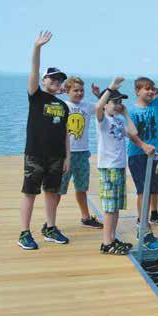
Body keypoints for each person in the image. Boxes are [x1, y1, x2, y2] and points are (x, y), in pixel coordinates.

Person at [18, 31, 71, 250]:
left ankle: (50, 227)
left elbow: (66, 133)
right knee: (30, 192)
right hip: (35, 154)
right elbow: (34, 71)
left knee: (52, 192)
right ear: (44, 80)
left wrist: (67, 157)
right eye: (53, 78)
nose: (57, 82)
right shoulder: (36, 96)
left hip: (57, 156)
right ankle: (24, 232)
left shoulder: (63, 105)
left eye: (60, 79)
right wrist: (37, 47)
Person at [127, 59, 158, 250]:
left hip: (155, 156)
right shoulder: (131, 110)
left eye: (152, 88)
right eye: (146, 88)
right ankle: (144, 227)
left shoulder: (156, 104)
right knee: (143, 191)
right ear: (137, 91)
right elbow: (130, 133)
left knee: (152, 190)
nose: (150, 91)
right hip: (138, 156)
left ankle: (145, 223)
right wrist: (143, 146)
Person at [94, 78, 137, 255]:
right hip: (108, 167)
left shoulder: (118, 120)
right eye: (115, 101)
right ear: (106, 104)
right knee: (109, 207)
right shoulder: (103, 121)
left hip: (119, 167)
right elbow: (98, 108)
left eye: (120, 102)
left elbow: (134, 133)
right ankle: (106, 242)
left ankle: (112, 238)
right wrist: (110, 89)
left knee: (117, 206)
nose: (118, 105)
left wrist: (125, 113)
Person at [60, 76, 103, 229]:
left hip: (83, 153)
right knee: (58, 189)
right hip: (65, 154)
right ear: (67, 91)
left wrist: (98, 95)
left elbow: (103, 107)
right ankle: (50, 222)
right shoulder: (62, 105)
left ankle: (85, 217)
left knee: (81, 188)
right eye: (75, 90)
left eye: (81, 90)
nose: (79, 93)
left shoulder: (87, 106)